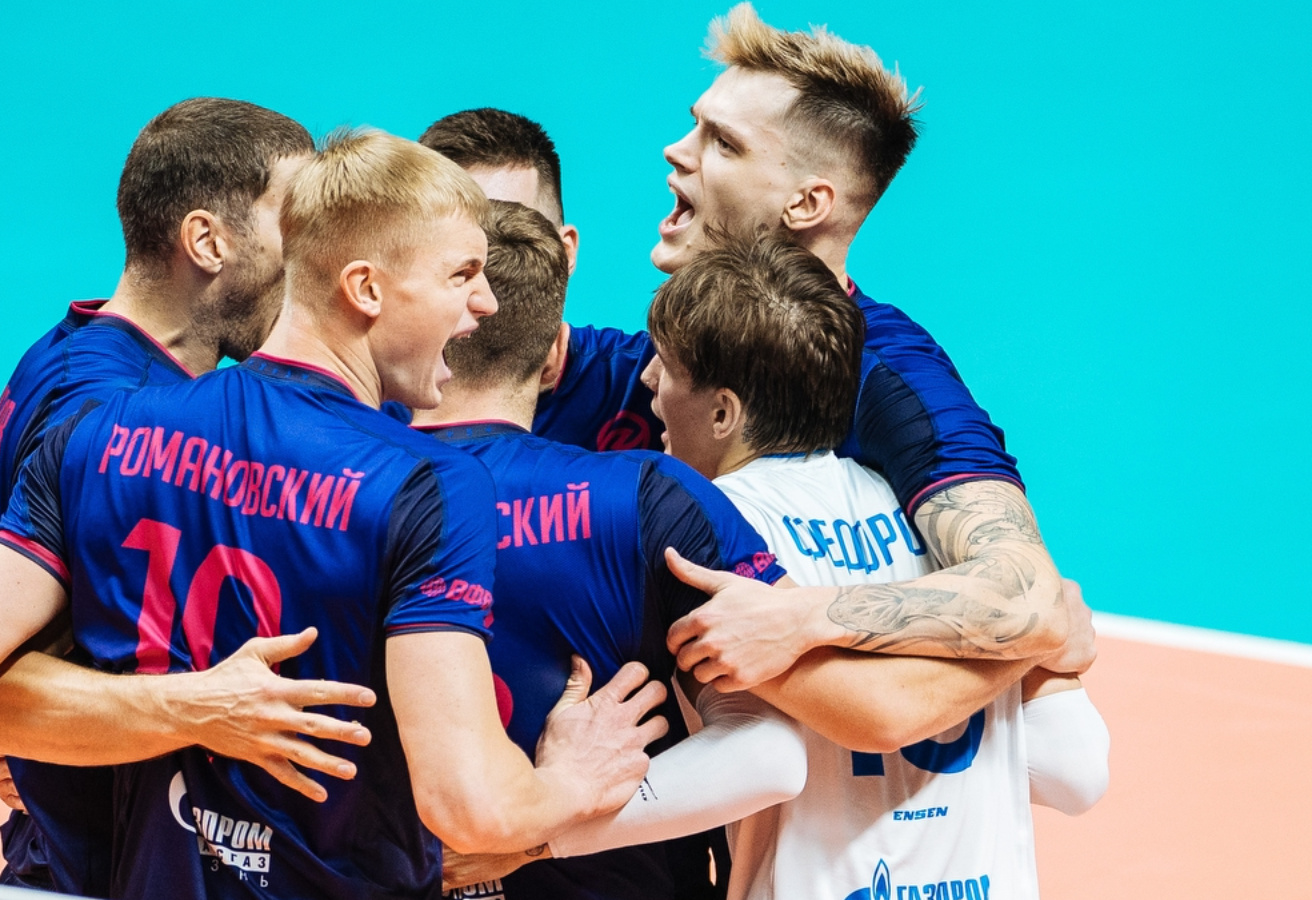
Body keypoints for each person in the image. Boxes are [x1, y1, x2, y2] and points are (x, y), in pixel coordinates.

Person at [0, 130, 666, 900]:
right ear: (366, 289)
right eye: (461, 274)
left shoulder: (99, 431)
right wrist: (569, 782)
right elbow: (470, 808)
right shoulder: (431, 486)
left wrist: (184, 708)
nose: (484, 305)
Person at [504, 5, 1094, 683]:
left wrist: (799, 617)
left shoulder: (889, 380)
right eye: (695, 125)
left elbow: (1032, 599)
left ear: (807, 204)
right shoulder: (660, 361)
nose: (677, 150)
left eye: (724, 143)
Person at [0, 97, 373, 896]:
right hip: (98, 857)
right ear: (207, 241)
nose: (311, 258)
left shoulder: (74, 356)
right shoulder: (112, 414)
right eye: (293, 225)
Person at [641, 234, 1110, 899]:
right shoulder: (949, 533)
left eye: (665, 365)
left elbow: (836, 732)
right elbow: (1076, 769)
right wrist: (1037, 635)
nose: (647, 382)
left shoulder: (702, 527)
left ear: (723, 411)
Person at [413, 200, 802, 900]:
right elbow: (769, 753)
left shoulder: (339, 486)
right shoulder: (649, 495)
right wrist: (543, 831)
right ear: (551, 358)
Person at [418, 109, 661, 452]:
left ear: (565, 252)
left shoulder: (652, 379)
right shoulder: (372, 393)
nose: (485, 265)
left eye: (512, 233)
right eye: (457, 240)